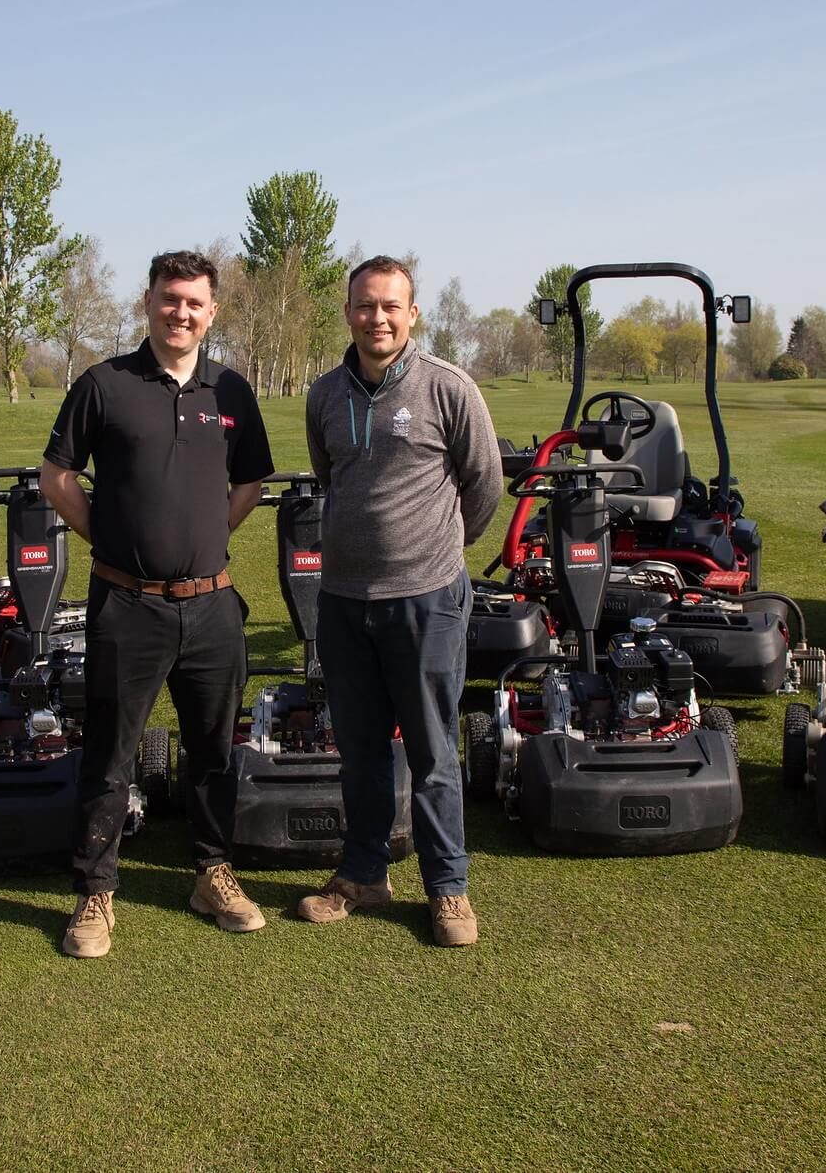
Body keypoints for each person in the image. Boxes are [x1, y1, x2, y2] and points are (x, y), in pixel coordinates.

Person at [40, 250, 273, 959]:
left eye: (195, 303)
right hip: (126, 605)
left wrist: (207, 543)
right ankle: (96, 891)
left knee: (214, 752)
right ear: (148, 302)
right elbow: (56, 476)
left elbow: (249, 484)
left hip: (211, 606)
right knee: (110, 756)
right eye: (170, 299)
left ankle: (212, 873)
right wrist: (109, 539)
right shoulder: (104, 384)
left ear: (212, 312)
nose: (181, 313)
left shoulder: (230, 390)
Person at [294, 255, 502, 947]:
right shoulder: (325, 394)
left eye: (390, 306)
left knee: (433, 750)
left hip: (426, 601)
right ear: (348, 312)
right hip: (344, 601)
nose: (376, 318)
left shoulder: (448, 387)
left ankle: (448, 888)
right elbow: (331, 476)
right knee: (358, 751)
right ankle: (363, 875)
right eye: (365, 305)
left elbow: (483, 485)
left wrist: (436, 551)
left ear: (412, 314)